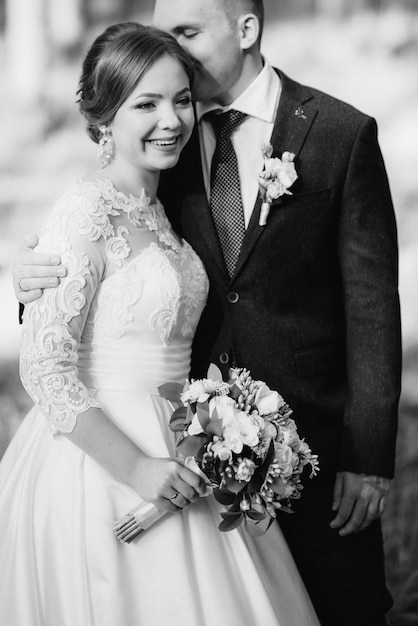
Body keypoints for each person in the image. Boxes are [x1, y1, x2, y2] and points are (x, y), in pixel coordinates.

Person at [12, 1, 402, 625]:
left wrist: (369, 453)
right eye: (147, 101)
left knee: (346, 606)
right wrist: (32, 282)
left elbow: (374, 308)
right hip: (159, 453)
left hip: (308, 441)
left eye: (187, 33)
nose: (170, 114)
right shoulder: (155, 160)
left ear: (246, 29)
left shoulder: (337, 133)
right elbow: (77, 297)